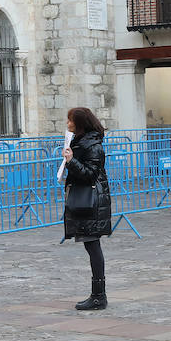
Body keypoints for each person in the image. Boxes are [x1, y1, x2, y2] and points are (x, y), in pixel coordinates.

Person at [62, 106, 113, 310]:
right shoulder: (82, 141)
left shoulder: (93, 145)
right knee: (91, 246)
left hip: (92, 202)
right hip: (87, 200)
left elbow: (90, 174)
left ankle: (99, 296)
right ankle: (98, 295)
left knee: (93, 246)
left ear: (80, 123)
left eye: (70, 120)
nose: (67, 124)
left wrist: (71, 161)